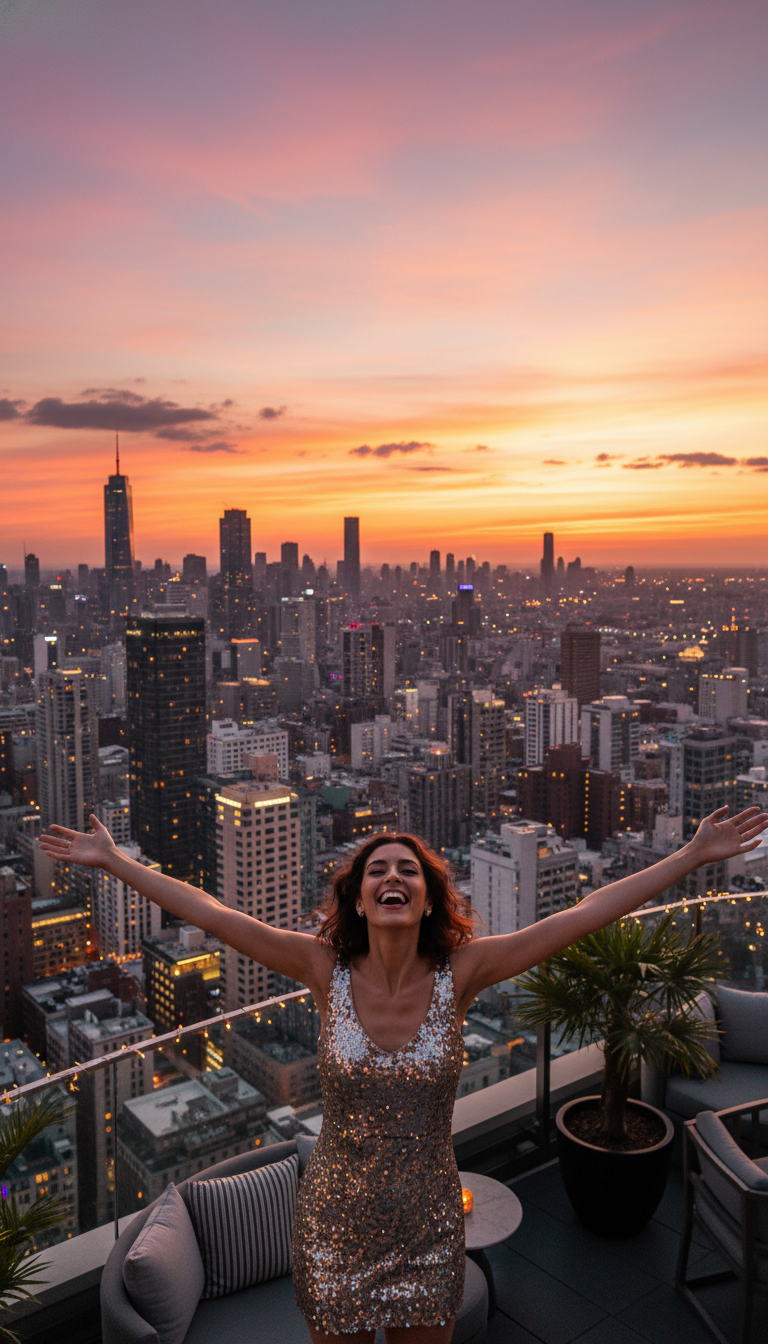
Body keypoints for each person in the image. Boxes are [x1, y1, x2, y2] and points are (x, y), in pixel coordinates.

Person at [39, 804, 767, 1343]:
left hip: (425, 1220)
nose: (392, 875)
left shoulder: (466, 972)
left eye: (407, 869)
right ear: (359, 898)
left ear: (426, 897)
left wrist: (691, 856)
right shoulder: (323, 969)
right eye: (377, 869)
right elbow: (216, 913)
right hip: (334, 1218)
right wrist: (114, 861)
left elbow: (583, 912)